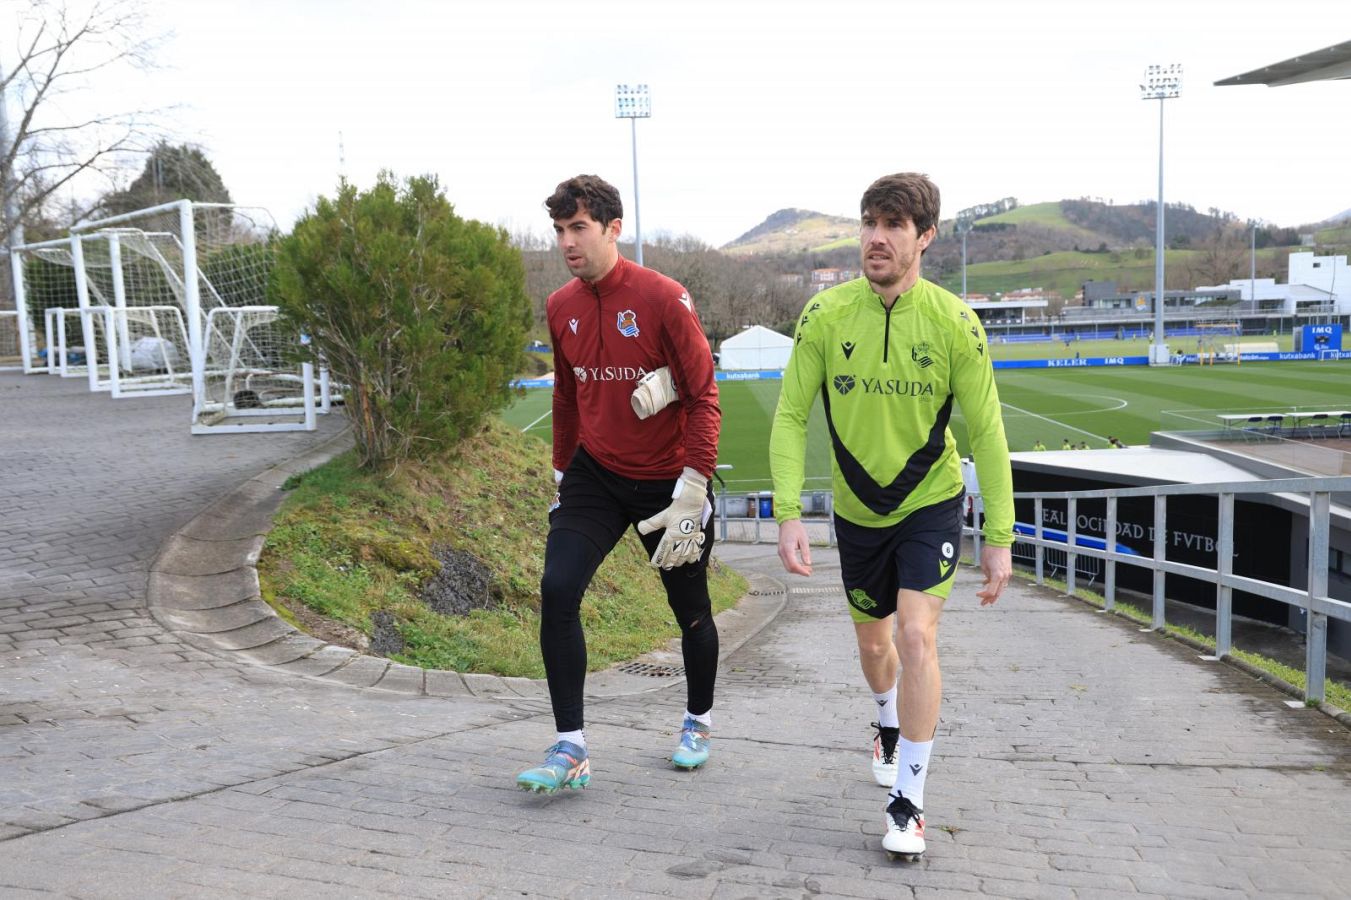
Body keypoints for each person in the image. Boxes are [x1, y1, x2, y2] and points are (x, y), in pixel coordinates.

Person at [769, 173, 1013, 860]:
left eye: (893, 225)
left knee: (914, 638)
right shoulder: (824, 316)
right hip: (856, 510)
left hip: (929, 503)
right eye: (869, 222)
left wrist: (999, 536)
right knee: (874, 648)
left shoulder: (954, 323)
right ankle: (884, 720)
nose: (875, 237)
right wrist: (788, 513)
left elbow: (988, 433)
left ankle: (907, 802)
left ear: (924, 236)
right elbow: (790, 417)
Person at [516, 175, 722, 794]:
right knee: (557, 588)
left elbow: (705, 396)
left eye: (579, 228)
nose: (567, 242)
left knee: (690, 612)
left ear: (613, 228)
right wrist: (560, 470)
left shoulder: (664, 298)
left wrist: (695, 484)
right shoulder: (560, 306)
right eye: (559, 231)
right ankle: (570, 747)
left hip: (669, 481)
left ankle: (698, 721)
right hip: (596, 476)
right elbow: (566, 394)